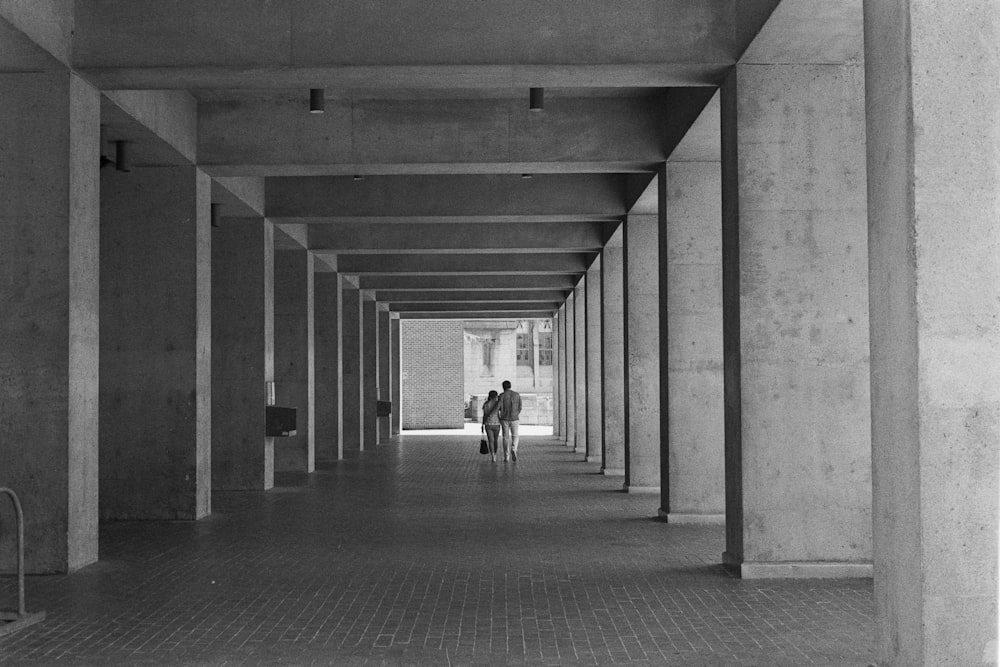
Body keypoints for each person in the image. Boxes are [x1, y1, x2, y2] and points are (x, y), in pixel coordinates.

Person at [497, 380, 522, 461]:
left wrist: (500, 416)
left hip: (504, 418)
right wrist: (516, 413)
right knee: (515, 435)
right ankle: (514, 449)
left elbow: (499, 407)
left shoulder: (501, 395)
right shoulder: (517, 395)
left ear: (503, 387)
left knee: (505, 437)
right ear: (510, 386)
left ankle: (506, 456)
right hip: (514, 418)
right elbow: (520, 406)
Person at [481, 390, 501, 462]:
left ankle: (493, 456)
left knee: (490, 441)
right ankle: (495, 453)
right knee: (495, 440)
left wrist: (482, 424)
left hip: (488, 424)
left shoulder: (485, 404)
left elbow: (484, 415)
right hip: (496, 424)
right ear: (496, 396)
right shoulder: (497, 404)